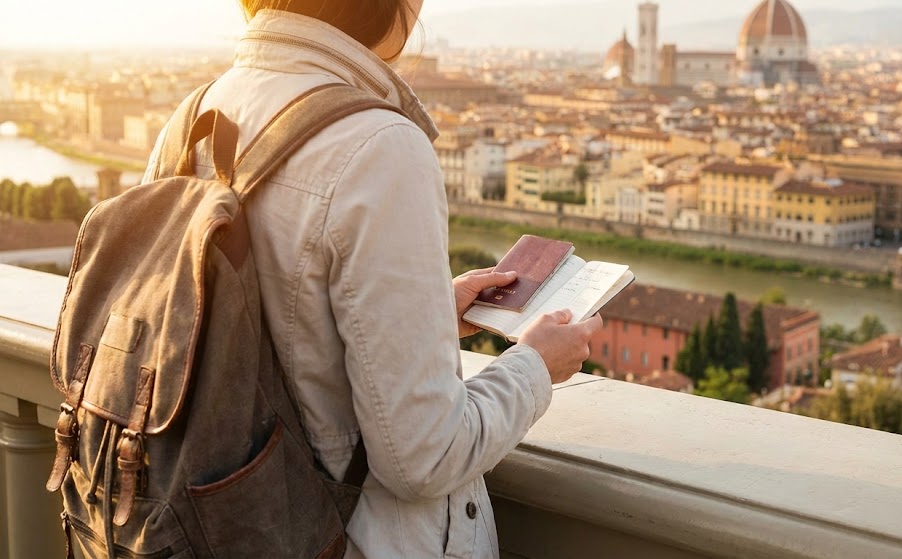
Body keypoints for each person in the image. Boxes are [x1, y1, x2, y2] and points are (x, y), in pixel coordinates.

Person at [143, 1, 603, 557]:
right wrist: (536, 366)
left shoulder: (191, 118)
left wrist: (425, 312)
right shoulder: (378, 144)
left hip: (208, 522)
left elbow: (247, 331)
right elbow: (424, 456)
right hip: (347, 538)